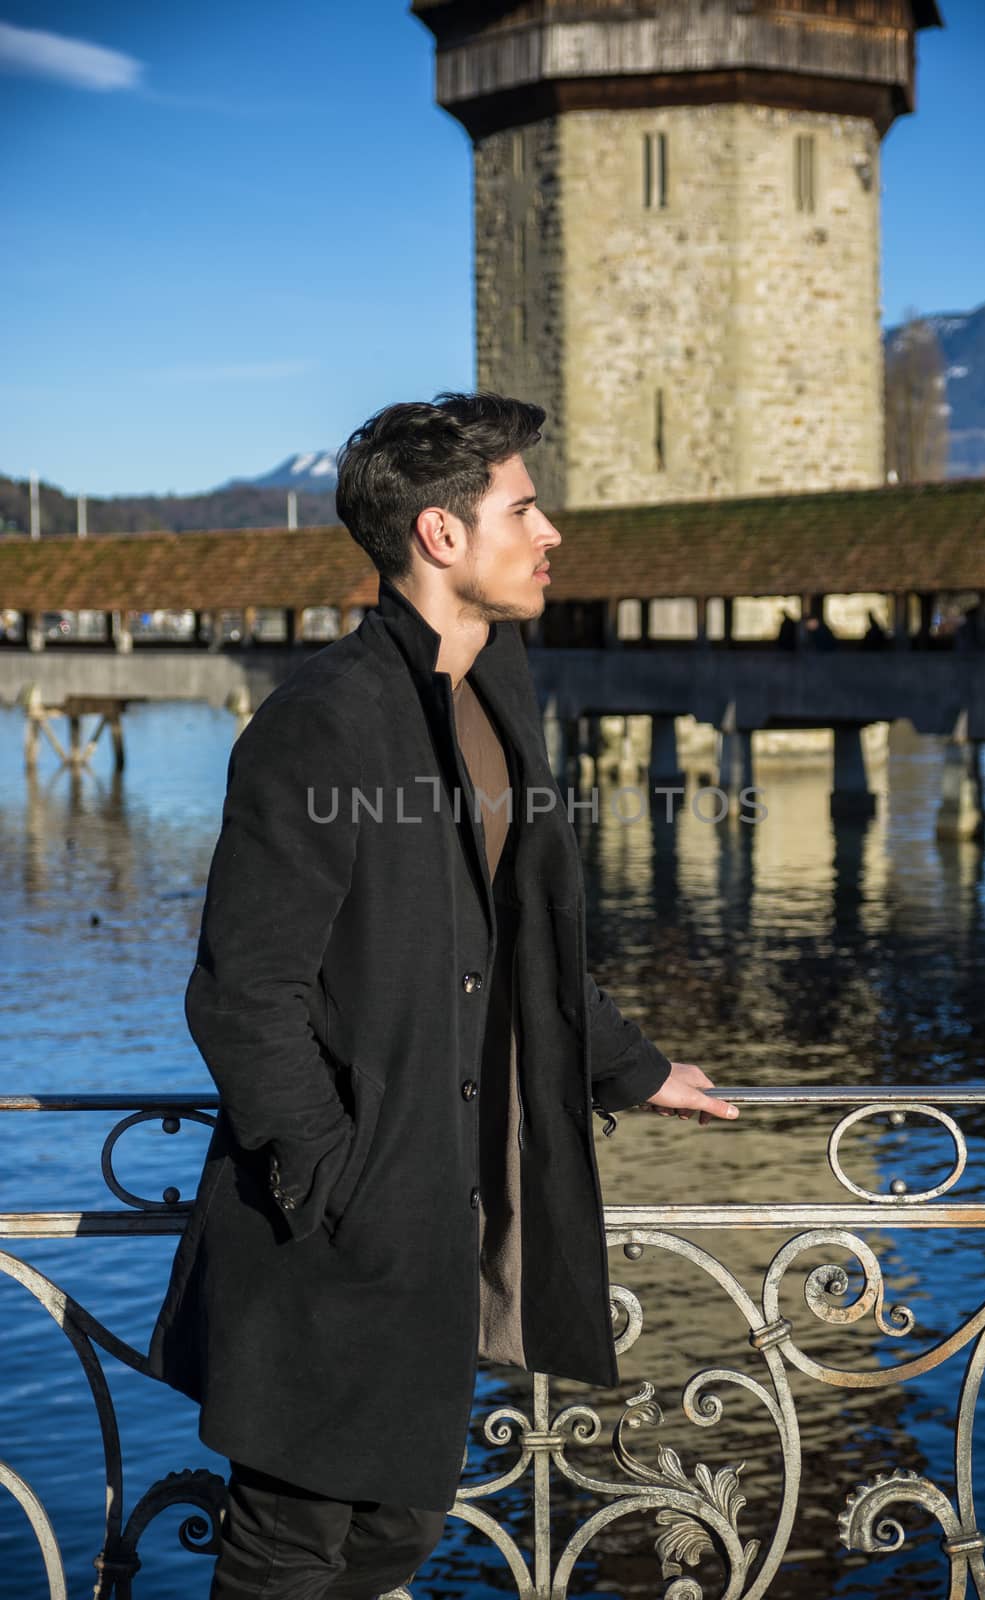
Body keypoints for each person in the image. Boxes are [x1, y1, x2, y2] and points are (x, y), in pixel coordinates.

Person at [147, 392, 739, 1599]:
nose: (550, 531)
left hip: (437, 1220)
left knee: (398, 1534)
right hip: (334, 1227)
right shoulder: (320, 724)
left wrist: (627, 1066)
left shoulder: (490, 698)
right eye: (523, 507)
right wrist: (336, 1174)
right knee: (289, 1552)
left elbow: (524, 936)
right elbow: (240, 995)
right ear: (440, 535)